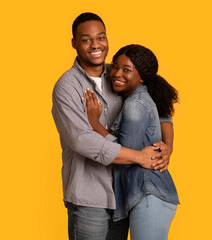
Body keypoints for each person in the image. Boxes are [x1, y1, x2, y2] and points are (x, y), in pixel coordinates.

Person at [51, 13, 174, 240]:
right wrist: (139, 157)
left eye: (101, 37)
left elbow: (159, 106)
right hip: (90, 199)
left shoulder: (120, 73)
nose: (96, 45)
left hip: (122, 196)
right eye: (86, 39)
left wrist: (167, 145)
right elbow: (83, 141)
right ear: (74, 43)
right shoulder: (66, 87)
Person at [85, 44, 179, 240]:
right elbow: (164, 117)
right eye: (115, 67)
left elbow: (124, 151)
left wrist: (95, 124)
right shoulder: (136, 97)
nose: (117, 73)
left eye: (126, 70)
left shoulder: (136, 105)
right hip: (145, 195)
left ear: (142, 77)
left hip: (149, 194)